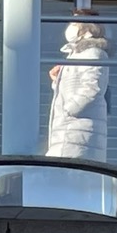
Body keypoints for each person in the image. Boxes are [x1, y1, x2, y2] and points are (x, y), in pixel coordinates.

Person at [46, 18, 110, 158]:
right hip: (70, 127)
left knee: (65, 164)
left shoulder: (92, 53)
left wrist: (69, 109)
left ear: (88, 29)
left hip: (77, 128)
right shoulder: (76, 54)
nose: (71, 27)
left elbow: (92, 87)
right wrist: (57, 81)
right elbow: (74, 87)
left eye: (75, 23)